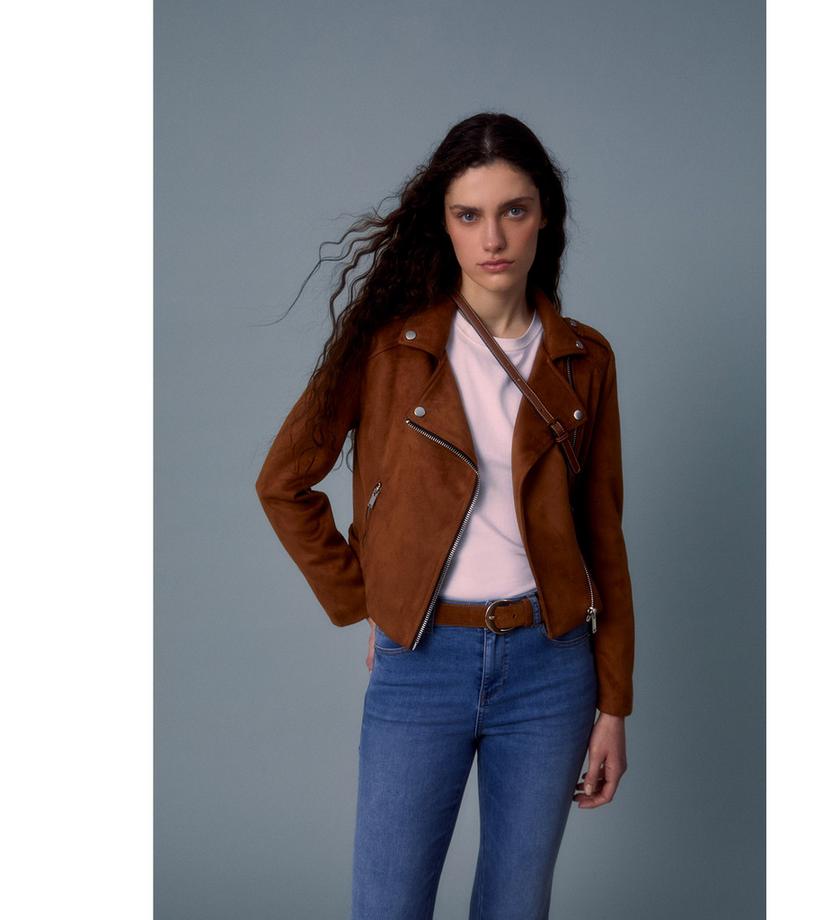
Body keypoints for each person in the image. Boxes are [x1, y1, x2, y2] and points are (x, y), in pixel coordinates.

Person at [255, 111, 636, 920]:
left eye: (514, 210)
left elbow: (603, 536)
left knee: (515, 907)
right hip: (423, 661)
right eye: (469, 215)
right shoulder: (390, 350)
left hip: (551, 668)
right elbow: (283, 482)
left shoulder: (584, 359)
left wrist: (614, 704)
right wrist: (376, 598)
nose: (492, 237)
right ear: (445, 224)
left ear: (545, 217)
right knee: (388, 905)